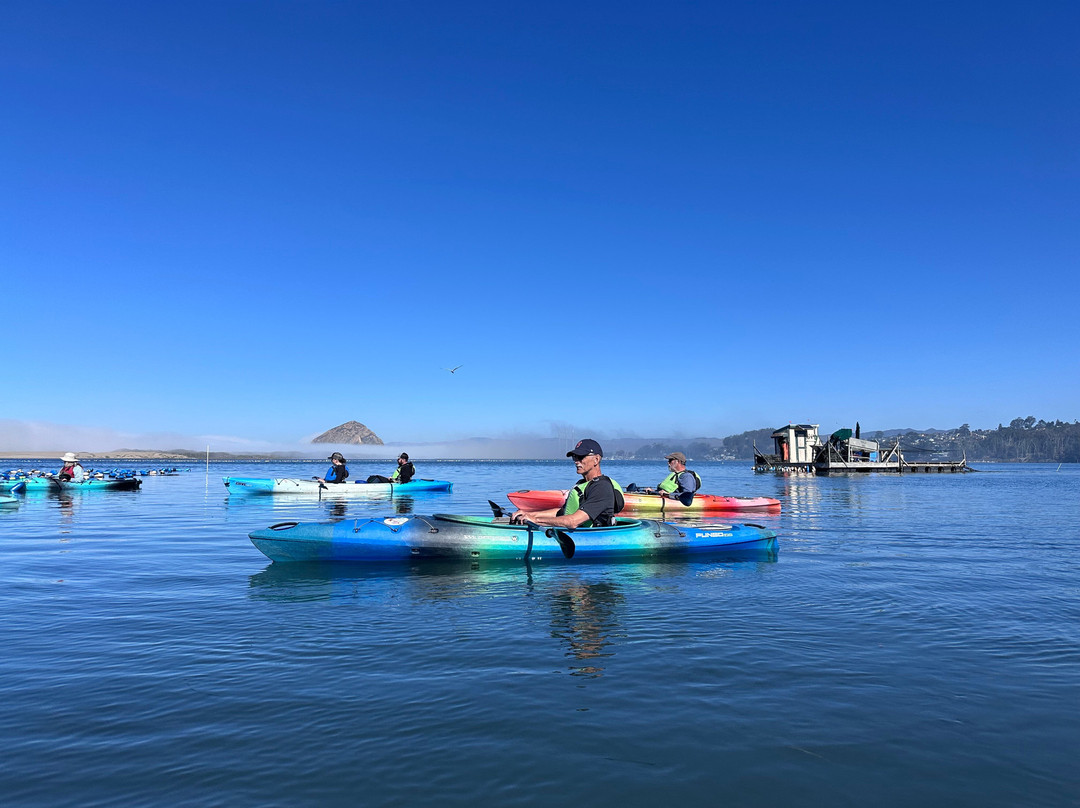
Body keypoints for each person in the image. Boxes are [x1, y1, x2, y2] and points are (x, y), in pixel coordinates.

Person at [511, 439, 624, 528]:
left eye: (581, 457)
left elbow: (573, 522)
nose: (576, 461)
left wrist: (536, 520)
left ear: (596, 459)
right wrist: (530, 514)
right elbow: (562, 513)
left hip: (593, 538)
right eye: (574, 457)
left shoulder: (601, 487)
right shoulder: (583, 484)